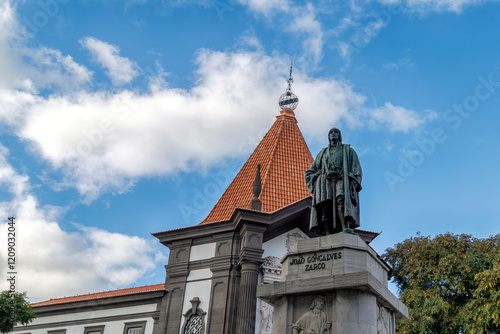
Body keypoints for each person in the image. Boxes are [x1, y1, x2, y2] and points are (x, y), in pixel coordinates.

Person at [305, 128, 362, 235]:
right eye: (331, 132)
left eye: (336, 132)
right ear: (328, 136)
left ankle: (346, 227)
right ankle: (327, 233)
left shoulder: (347, 150)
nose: (333, 134)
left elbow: (356, 170)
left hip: (342, 179)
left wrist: (351, 180)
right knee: (325, 206)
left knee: (341, 199)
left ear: (339, 136)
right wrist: (316, 175)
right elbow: (310, 172)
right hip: (324, 182)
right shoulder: (323, 153)